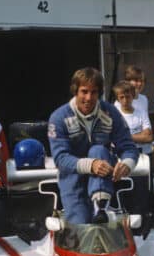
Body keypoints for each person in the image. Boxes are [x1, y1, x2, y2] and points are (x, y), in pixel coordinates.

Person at [48, 68, 138, 224]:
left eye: (94, 92)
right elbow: (60, 158)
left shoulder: (110, 113)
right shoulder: (59, 117)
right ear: (75, 91)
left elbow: (129, 147)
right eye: (84, 91)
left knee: (98, 150)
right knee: (79, 226)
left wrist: (126, 163)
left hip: (105, 180)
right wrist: (91, 165)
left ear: (99, 93)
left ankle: (101, 208)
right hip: (73, 180)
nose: (89, 98)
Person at [113, 81, 153, 155]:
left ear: (133, 96)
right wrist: (140, 135)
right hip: (123, 153)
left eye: (128, 96)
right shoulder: (115, 116)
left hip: (143, 153)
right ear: (117, 99)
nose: (125, 100)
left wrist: (125, 137)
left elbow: (148, 137)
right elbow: (115, 138)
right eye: (122, 97)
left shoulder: (142, 113)